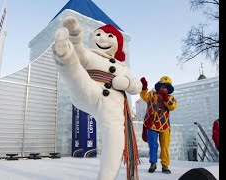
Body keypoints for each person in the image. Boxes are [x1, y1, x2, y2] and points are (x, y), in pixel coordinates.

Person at [53, 16, 142, 180]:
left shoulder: (123, 68)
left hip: (113, 106)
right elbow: (81, 55)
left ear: (118, 44)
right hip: (92, 91)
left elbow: (137, 86)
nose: (103, 39)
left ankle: (106, 177)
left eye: (110, 36)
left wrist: (127, 82)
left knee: (115, 142)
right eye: (99, 34)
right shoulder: (91, 55)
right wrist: (76, 40)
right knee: (77, 75)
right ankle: (64, 53)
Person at [139, 76, 177, 174]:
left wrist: (165, 97)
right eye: (161, 86)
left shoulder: (171, 98)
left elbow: (172, 107)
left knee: (164, 146)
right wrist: (144, 87)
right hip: (152, 124)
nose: (163, 88)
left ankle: (165, 165)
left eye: (165, 86)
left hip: (164, 126)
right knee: (153, 145)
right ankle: (153, 163)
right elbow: (144, 96)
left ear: (168, 88)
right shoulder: (152, 94)